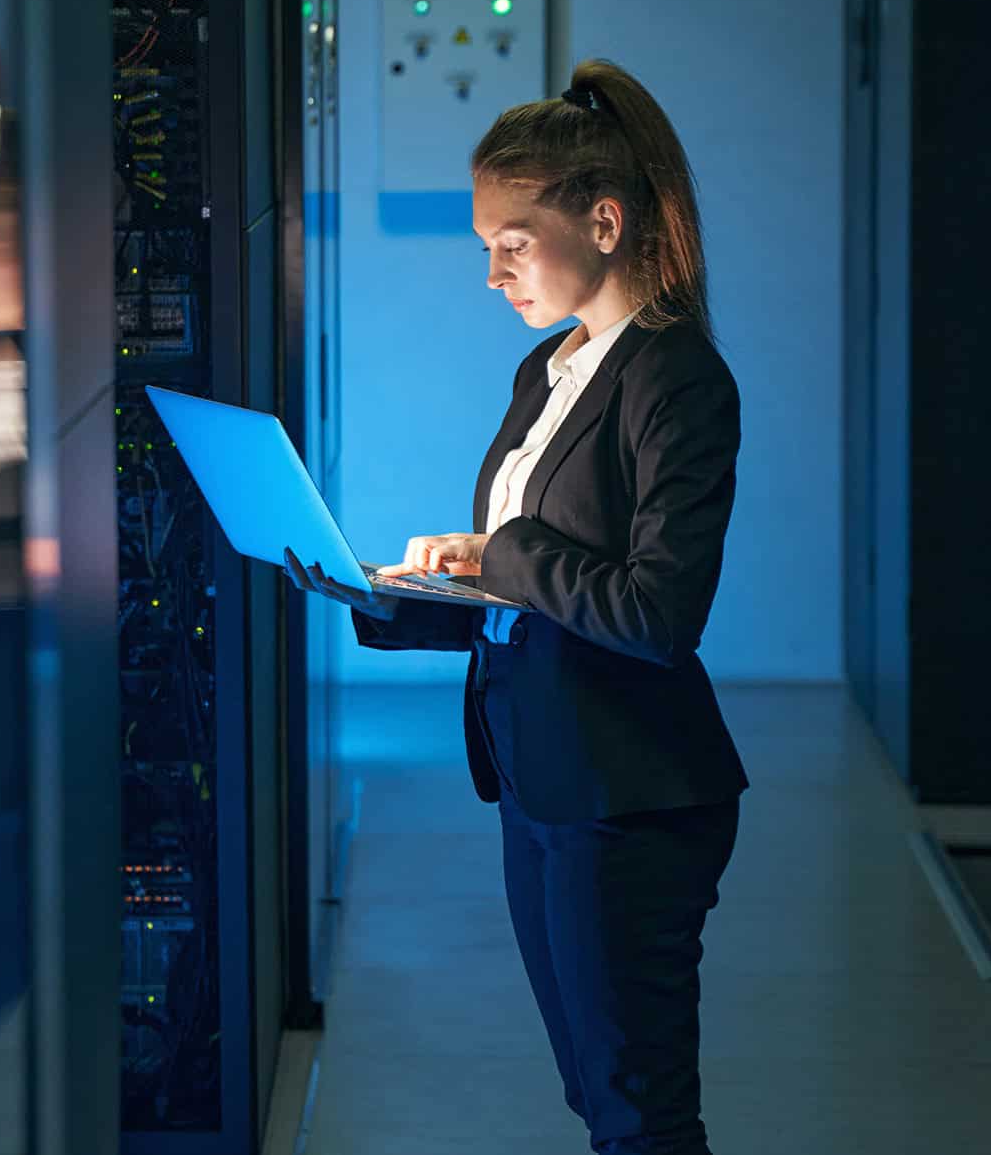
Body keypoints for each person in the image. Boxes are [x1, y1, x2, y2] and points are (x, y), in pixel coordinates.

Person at [284, 57, 749, 1155]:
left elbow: (654, 613)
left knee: (638, 1112)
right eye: (482, 244)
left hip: (626, 789)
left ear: (601, 219)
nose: (491, 273)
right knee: (598, 1096)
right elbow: (525, 594)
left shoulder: (676, 378)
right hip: (539, 763)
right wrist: (386, 592)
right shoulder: (548, 368)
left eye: (510, 241)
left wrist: (504, 549)